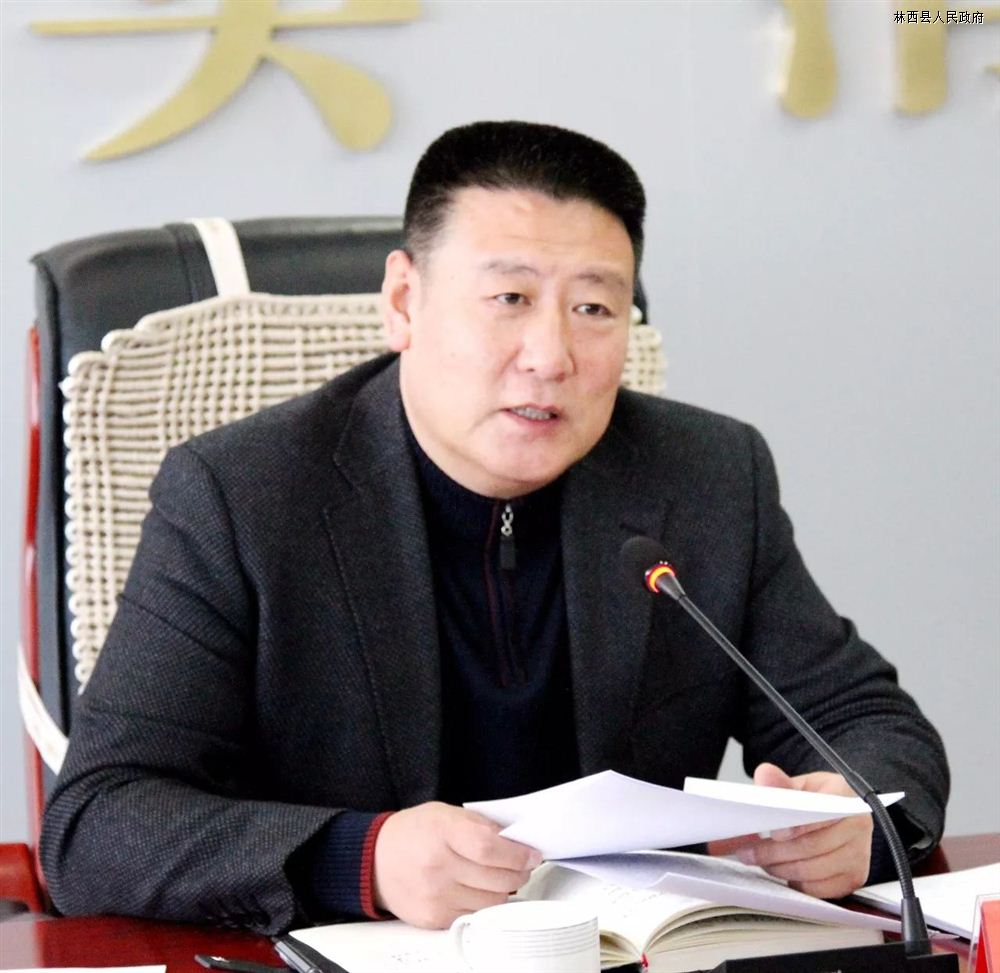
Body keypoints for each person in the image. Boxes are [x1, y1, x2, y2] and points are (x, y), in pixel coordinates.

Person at [40, 121, 949, 935]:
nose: (550, 356)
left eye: (594, 308)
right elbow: (97, 823)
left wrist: (857, 819)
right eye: (510, 297)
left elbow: (867, 721)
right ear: (404, 302)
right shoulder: (241, 494)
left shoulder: (707, 475)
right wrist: (363, 857)